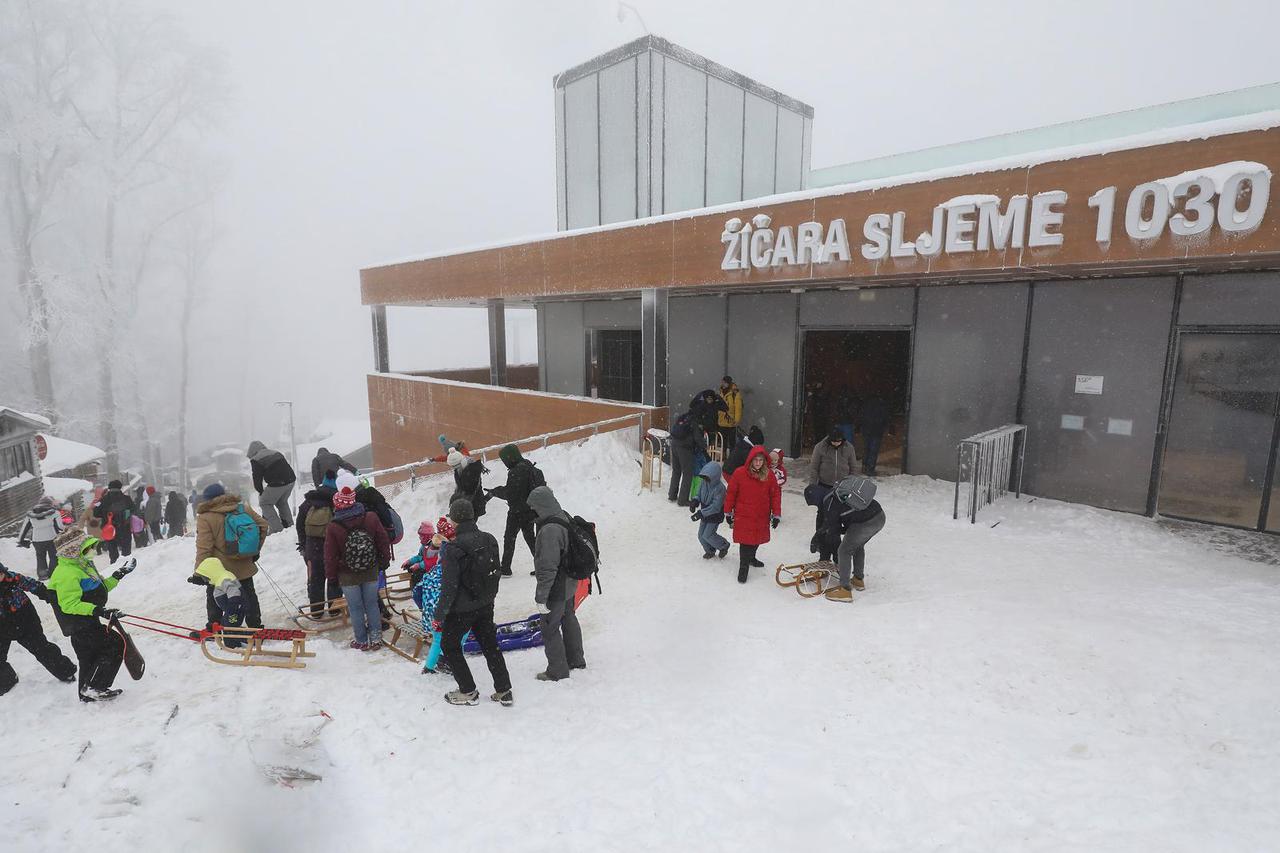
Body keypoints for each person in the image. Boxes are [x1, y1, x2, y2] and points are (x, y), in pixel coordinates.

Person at [434, 499, 512, 706]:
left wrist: (439, 615)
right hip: (485, 603)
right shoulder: (489, 539)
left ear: (455, 520)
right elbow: (496, 571)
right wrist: (489, 597)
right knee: (490, 645)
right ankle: (504, 689)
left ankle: (468, 690)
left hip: (461, 609)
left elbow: (449, 586)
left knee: (449, 645)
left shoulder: (453, 548)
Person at [47, 529, 135, 702]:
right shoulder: (67, 573)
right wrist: (98, 610)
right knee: (114, 645)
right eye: (88, 548)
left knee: (89, 657)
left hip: (87, 621)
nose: (93, 550)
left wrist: (118, 575)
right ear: (74, 550)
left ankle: (86, 694)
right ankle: (94, 688)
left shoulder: (82, 566)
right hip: (79, 625)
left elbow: (98, 590)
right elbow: (69, 604)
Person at [527, 486, 587, 682]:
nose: (532, 511)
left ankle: (557, 670)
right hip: (571, 582)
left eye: (533, 507)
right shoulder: (563, 515)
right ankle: (576, 659)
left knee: (549, 627)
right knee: (569, 616)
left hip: (557, 587)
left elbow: (547, 568)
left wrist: (541, 597)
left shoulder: (549, 530)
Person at [323, 482, 391, 651]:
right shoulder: (370, 517)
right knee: (372, 604)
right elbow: (382, 540)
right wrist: (384, 560)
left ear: (337, 505)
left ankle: (361, 640)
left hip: (347, 574)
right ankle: (376, 638)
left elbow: (330, 555)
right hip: (370, 569)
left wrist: (331, 577)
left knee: (355, 607)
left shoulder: (334, 526)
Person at [194, 483, 268, 631]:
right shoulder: (242, 508)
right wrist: (254, 550)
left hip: (220, 569)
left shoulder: (206, 517)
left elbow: (204, 547)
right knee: (248, 594)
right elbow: (263, 525)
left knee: (215, 596)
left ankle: (214, 626)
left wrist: (199, 572)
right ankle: (255, 625)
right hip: (244, 562)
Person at [0, 560, 76, 696]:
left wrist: (48, 595)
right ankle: (7, 682)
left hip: (25, 621)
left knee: (42, 649)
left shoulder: (12, 578)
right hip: (2, 627)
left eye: (0, 573)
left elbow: (32, 585)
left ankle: (66, 673)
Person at [819, 478, 886, 601]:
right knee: (857, 545)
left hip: (865, 522)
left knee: (844, 551)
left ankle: (845, 590)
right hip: (880, 516)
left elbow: (834, 530)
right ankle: (858, 580)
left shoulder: (828, 503)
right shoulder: (839, 490)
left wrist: (824, 538)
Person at [724, 446, 781, 584]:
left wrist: (776, 514)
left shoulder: (769, 475)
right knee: (745, 541)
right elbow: (731, 493)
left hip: (761, 514)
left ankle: (751, 558)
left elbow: (775, 495)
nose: (758, 463)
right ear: (750, 460)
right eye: (755, 460)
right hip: (744, 514)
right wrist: (727, 511)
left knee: (757, 539)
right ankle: (743, 566)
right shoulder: (739, 473)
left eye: (760, 460)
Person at [487, 444, 544, 576]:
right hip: (529, 510)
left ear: (510, 457)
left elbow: (510, 493)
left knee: (509, 538)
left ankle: (506, 568)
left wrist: (495, 492)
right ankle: (542, 565)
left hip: (517, 512)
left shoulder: (516, 472)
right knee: (530, 538)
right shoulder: (528, 466)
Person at [404, 520, 449, 675]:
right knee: (446, 639)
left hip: (431, 612)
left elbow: (418, 591)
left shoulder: (431, 575)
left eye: (423, 535)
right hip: (440, 613)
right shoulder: (446, 574)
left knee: (437, 640)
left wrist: (424, 607)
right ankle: (444, 661)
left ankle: (429, 667)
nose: (421, 538)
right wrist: (413, 562)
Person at [295, 472, 339, 615]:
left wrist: (303, 544)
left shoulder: (308, 502)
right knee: (334, 577)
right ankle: (335, 609)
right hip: (331, 545)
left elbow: (299, 524)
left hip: (312, 546)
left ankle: (316, 612)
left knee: (315, 579)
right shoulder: (336, 500)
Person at [187, 558, 248, 646]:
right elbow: (211, 582)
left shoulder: (224, 579)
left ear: (211, 572)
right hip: (233, 609)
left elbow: (233, 590)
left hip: (235, 609)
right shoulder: (219, 577)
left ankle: (233, 646)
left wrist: (233, 603)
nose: (206, 579)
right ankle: (248, 637)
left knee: (228, 627)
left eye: (206, 576)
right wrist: (196, 580)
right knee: (227, 625)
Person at [807, 427, 859, 531]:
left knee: (840, 511)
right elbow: (814, 468)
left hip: (842, 486)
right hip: (824, 485)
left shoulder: (849, 448)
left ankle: (835, 534)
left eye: (839, 441)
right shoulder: (820, 447)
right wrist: (812, 485)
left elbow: (853, 467)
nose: (836, 443)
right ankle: (819, 534)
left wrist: (852, 484)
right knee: (822, 510)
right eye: (834, 441)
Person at [246, 440, 297, 533]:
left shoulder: (256, 459)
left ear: (252, 451)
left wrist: (260, 491)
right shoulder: (276, 452)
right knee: (282, 502)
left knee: (264, 503)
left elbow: (257, 477)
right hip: (291, 480)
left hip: (278, 482)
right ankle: (288, 525)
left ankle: (276, 528)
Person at [18, 495, 66, 580]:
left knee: (40, 557)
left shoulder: (30, 514)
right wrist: (66, 529)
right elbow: (60, 527)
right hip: (52, 538)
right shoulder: (55, 512)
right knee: (54, 556)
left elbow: (24, 528)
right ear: (50, 503)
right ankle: (54, 574)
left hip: (37, 540)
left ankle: (43, 575)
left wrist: (20, 540)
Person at [690, 461, 729, 560]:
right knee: (700, 535)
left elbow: (716, 506)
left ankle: (724, 545)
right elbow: (698, 493)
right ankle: (710, 550)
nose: (705, 480)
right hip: (704, 513)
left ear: (715, 477)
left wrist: (701, 513)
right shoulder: (704, 482)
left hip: (714, 515)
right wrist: (695, 500)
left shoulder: (720, 488)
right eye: (704, 477)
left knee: (708, 535)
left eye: (707, 478)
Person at [667, 409, 706, 507]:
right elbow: (697, 438)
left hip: (674, 445)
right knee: (687, 473)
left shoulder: (682, 418)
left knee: (676, 471)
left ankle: (672, 495)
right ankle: (683, 500)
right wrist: (704, 445)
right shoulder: (694, 422)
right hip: (685, 449)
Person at [93, 480, 136, 563]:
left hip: (109, 529)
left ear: (109, 488)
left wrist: (105, 515)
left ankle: (114, 568)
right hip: (124, 528)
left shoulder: (102, 500)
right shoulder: (127, 499)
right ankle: (127, 568)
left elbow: (96, 513)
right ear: (120, 488)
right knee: (126, 552)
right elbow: (134, 510)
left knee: (113, 553)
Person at [447, 447, 488, 520]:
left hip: (472, 507)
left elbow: (466, 491)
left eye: (455, 466)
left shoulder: (470, 472)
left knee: (468, 527)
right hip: (470, 506)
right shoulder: (463, 468)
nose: (454, 468)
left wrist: (455, 505)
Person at [859, 396, 890, 476]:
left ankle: (865, 466)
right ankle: (870, 468)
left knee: (867, 448)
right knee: (873, 450)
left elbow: (861, 417)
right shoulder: (882, 407)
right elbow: (885, 419)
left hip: (867, 430)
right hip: (877, 431)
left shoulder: (866, 406)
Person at [716, 376, 743, 453]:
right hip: (721, 422)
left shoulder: (735, 394)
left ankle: (732, 457)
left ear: (729, 383)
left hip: (731, 423)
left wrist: (736, 421)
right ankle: (722, 456)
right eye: (722, 382)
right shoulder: (721, 392)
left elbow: (738, 408)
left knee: (732, 443)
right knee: (722, 442)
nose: (723, 384)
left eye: (725, 383)